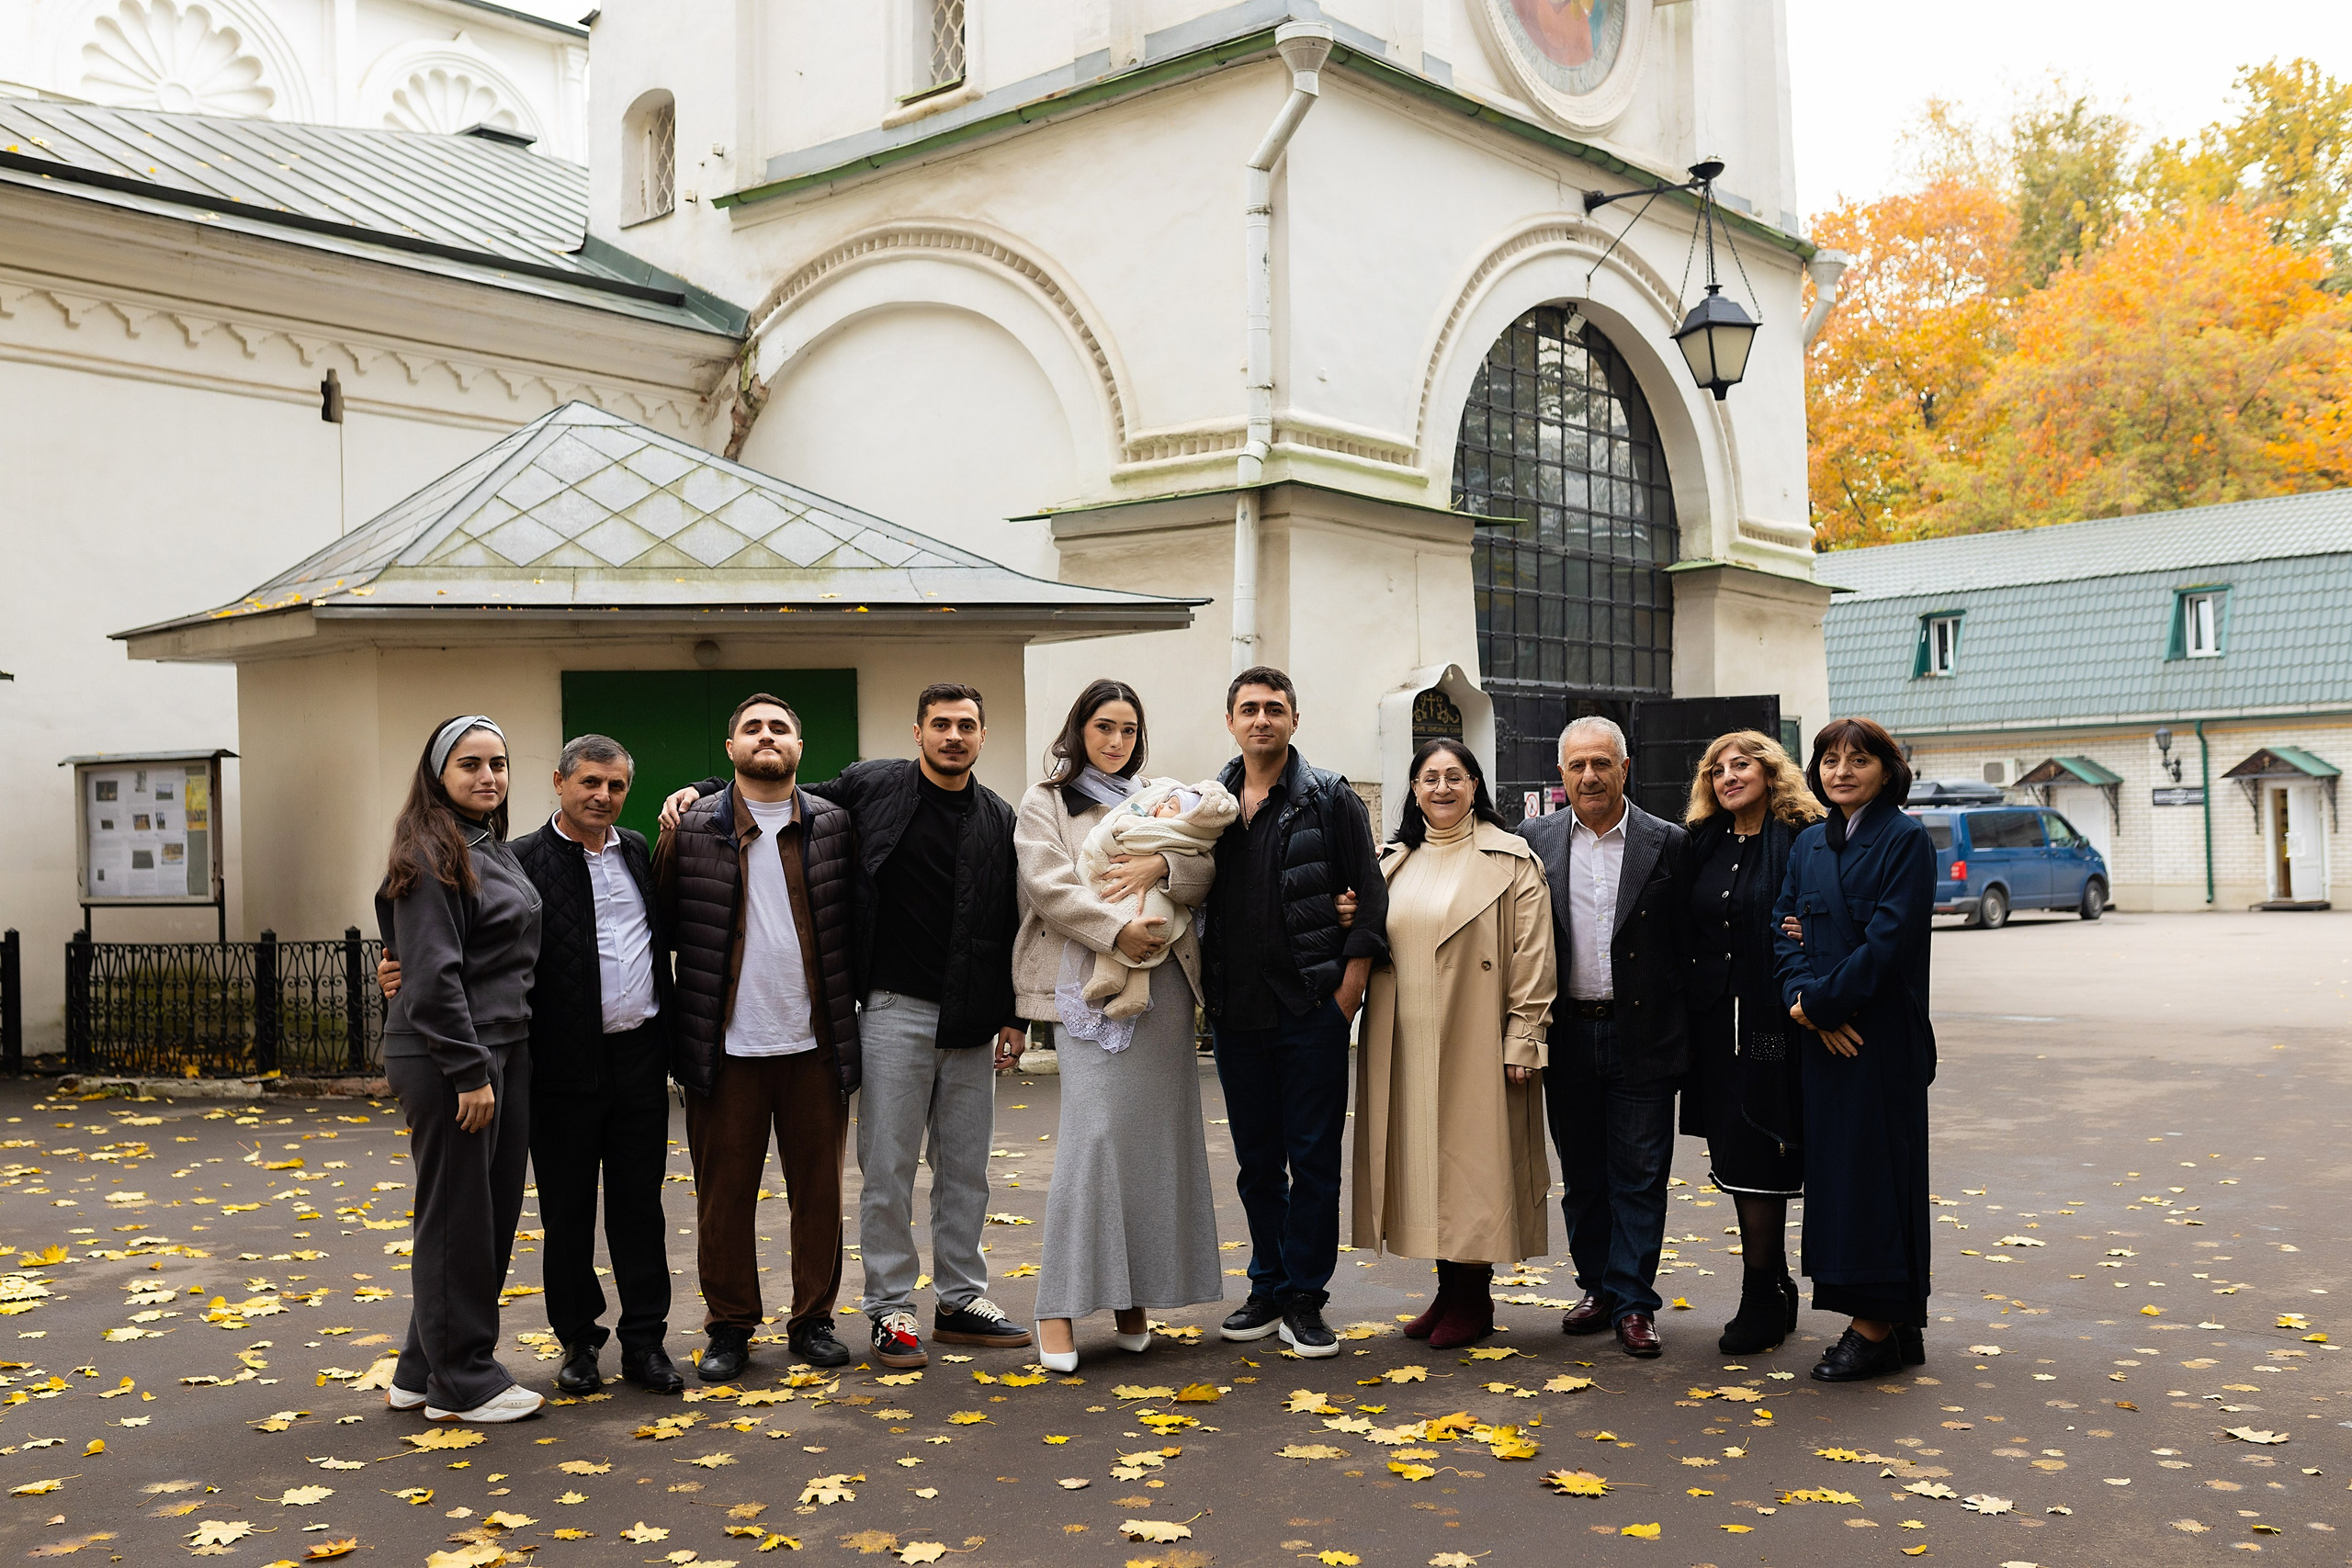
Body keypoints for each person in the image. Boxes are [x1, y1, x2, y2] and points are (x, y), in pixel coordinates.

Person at [662, 684, 1029, 1371]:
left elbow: (1007, 919)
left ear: (983, 736)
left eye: (967, 725)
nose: (954, 735)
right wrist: (699, 786)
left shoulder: (998, 817)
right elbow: (775, 781)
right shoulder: (871, 787)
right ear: (917, 731)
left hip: (971, 1020)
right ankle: (890, 1310)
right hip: (890, 1009)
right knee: (884, 1169)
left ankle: (959, 1299)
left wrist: (1014, 1011)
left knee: (965, 1171)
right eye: (941, 724)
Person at [379, 735, 687, 1394]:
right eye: (590, 783)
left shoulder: (638, 850)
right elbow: (451, 930)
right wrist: (397, 967)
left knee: (640, 1207)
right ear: (559, 781)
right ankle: (578, 1341)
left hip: (638, 1056)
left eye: (616, 785)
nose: (602, 795)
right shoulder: (518, 859)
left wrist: (699, 789)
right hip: (556, 1064)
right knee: (566, 1211)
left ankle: (645, 1343)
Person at [1012, 681, 1227, 1371]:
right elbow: (1047, 887)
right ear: (1079, 730)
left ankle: (1132, 1297)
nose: (1116, 740)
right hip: (1091, 983)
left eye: (1129, 729)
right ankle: (1057, 1304)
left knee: (1151, 1146)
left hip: (1162, 987)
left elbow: (1205, 865)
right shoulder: (1045, 801)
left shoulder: (1157, 793)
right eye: (1104, 726)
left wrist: (1163, 862)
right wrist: (1117, 930)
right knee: (1095, 1141)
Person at [653, 693, 862, 1380]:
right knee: (723, 1198)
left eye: (780, 728)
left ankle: (813, 1320)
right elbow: (657, 929)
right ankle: (730, 1326)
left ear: (800, 748)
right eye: (752, 727)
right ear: (730, 748)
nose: (766, 736)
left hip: (815, 1044)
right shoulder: (688, 831)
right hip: (724, 1048)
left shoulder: (834, 824)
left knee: (820, 1195)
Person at [1199, 665, 1389, 1359]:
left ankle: (1306, 1297)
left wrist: (1349, 994)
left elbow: (1369, 898)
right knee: (1256, 1163)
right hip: (1235, 1013)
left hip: (1310, 1008)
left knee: (1312, 1161)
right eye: (1248, 708)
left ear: (1293, 720)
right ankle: (1268, 1283)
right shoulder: (1209, 802)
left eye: (1274, 708)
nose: (1261, 719)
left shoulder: (1329, 797)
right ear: (1230, 721)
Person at [1353, 739, 1556, 1350]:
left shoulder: (1512, 858)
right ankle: (1448, 1289)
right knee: (1422, 1168)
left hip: (1475, 1029)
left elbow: (1534, 953)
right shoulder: (1392, 860)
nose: (1442, 787)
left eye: (1455, 776)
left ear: (1475, 786)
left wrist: (1525, 1036)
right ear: (1414, 790)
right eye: (1429, 777)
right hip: (1404, 1035)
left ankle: (1474, 1296)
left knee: (1473, 1165)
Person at [375, 715, 544, 1423]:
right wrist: (469, 1071)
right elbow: (434, 975)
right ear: (438, 773)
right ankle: (463, 1380)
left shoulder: (484, 844)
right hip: (456, 1055)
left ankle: (422, 1367)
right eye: (470, 764)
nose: (488, 776)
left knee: (480, 1214)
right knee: (461, 1218)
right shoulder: (429, 848)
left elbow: (417, 953)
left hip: (497, 1043)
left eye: (498, 763)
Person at [1515, 716, 1690, 1359]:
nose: (1589, 775)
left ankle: (1636, 1300)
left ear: (1624, 768)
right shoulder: (1532, 841)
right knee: (1583, 1173)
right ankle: (1598, 1287)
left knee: (1641, 1173)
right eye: (1577, 765)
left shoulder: (1667, 841)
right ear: (1561, 774)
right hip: (1567, 1035)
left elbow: (1689, 943)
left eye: (1601, 763)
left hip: (1642, 1033)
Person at [1773, 717, 1937, 1382]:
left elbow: (1889, 944)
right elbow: (1781, 928)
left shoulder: (1905, 840)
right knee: (1839, 1180)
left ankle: (1873, 1328)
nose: (1842, 770)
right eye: (1830, 759)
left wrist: (1820, 1004)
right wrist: (1803, 1006)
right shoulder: (1810, 843)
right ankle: (1886, 1323)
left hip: (1880, 1038)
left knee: (1878, 1176)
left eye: (1858, 759)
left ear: (1887, 769)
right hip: (1823, 1039)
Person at [1679, 730, 1825, 1355]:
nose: (1729, 776)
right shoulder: (1702, 842)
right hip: (1715, 1027)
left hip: (1772, 1026)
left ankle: (1760, 1290)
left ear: (1771, 772)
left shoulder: (1801, 838)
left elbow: (1824, 909)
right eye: (1718, 769)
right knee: (1733, 1148)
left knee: (1766, 1138)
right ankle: (1775, 1281)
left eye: (1742, 765)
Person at [1073, 774, 1236, 1020]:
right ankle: (1131, 992)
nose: (1160, 805)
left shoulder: (1170, 823)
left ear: (1186, 820)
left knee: (1144, 937)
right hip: (1146, 914)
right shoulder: (1050, 796)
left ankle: (1110, 976)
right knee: (1140, 936)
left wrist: (1163, 863)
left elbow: (1206, 874)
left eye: (1171, 807)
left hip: (1152, 913)